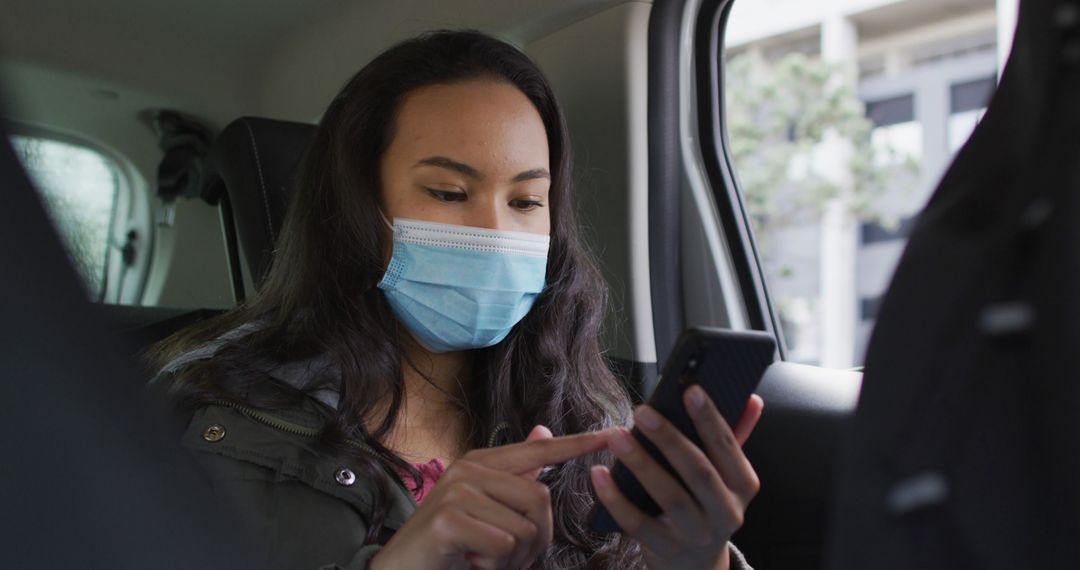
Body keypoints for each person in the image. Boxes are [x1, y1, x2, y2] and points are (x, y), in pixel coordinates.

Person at [151, 30, 763, 570]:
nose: (496, 236)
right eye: (448, 192)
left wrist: (699, 563)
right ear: (357, 209)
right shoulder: (221, 422)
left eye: (526, 202)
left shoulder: (588, 412)